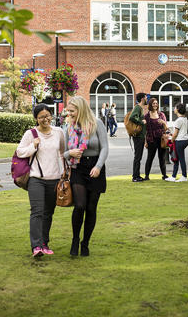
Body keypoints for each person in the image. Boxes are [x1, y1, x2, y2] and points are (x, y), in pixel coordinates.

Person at [16, 103, 65, 258]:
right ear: (36, 119)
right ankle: (36, 246)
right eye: (41, 117)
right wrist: (33, 146)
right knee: (37, 212)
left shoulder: (58, 132)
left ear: (51, 115)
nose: (45, 119)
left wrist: (65, 172)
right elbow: (19, 151)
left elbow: (63, 153)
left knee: (48, 213)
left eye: (47, 115)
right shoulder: (31, 134)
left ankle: (44, 243)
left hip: (54, 178)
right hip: (36, 178)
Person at [64, 96, 109, 257]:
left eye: (72, 111)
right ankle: (75, 240)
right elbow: (63, 153)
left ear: (81, 109)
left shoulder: (97, 124)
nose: (69, 114)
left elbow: (104, 147)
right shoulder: (69, 127)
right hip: (78, 167)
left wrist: (98, 166)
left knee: (91, 207)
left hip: (95, 166)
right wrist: (70, 153)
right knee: (80, 205)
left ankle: (85, 243)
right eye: (68, 111)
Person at [144, 98, 168, 180]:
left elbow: (166, 128)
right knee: (150, 158)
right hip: (151, 140)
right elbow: (145, 131)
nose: (155, 105)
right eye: (153, 103)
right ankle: (147, 176)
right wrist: (145, 142)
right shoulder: (146, 116)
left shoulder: (161, 115)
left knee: (162, 158)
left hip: (161, 139)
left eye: (156, 103)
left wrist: (164, 122)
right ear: (150, 105)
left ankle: (164, 175)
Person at [165, 103, 188, 182]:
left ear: (178, 109)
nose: (174, 109)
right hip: (184, 140)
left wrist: (171, 140)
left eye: (175, 108)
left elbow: (175, 134)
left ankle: (184, 176)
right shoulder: (185, 119)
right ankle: (173, 176)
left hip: (179, 141)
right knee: (177, 159)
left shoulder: (179, 120)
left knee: (180, 159)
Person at [129, 92, 147, 182]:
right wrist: (141, 121)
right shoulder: (138, 107)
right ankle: (135, 177)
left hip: (140, 136)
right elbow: (132, 117)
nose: (147, 99)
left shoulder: (140, 108)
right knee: (137, 157)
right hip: (138, 136)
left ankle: (137, 175)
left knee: (138, 157)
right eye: (146, 97)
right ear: (142, 99)